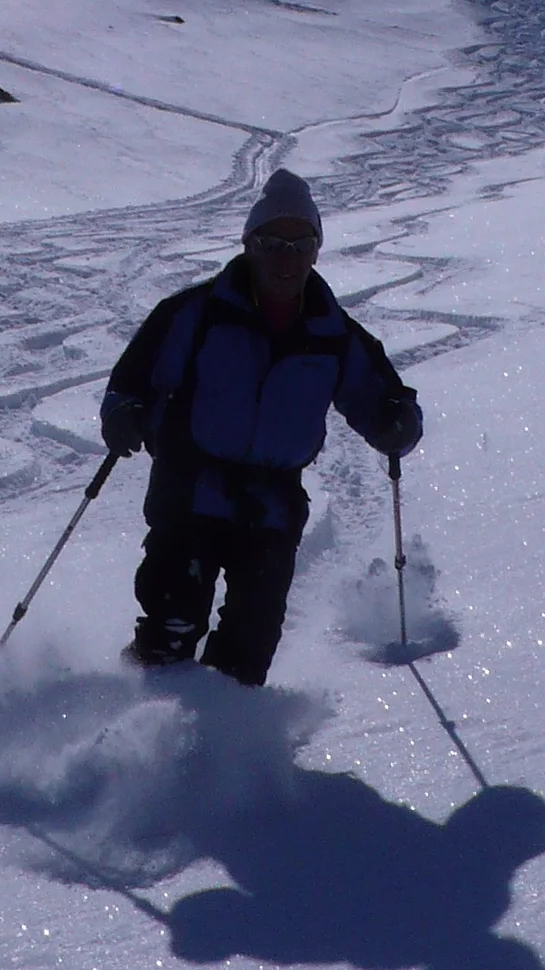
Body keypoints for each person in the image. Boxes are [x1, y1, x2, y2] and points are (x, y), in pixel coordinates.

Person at [99, 169, 423, 686]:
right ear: (249, 243)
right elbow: (131, 380)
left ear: (316, 251)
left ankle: (221, 751)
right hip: (190, 488)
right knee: (171, 627)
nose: (286, 257)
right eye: (273, 242)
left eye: (301, 243)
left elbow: (383, 397)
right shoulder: (194, 314)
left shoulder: (332, 333)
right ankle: (137, 733)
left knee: (247, 652)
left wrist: (397, 423)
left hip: (272, 504)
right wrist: (123, 414)